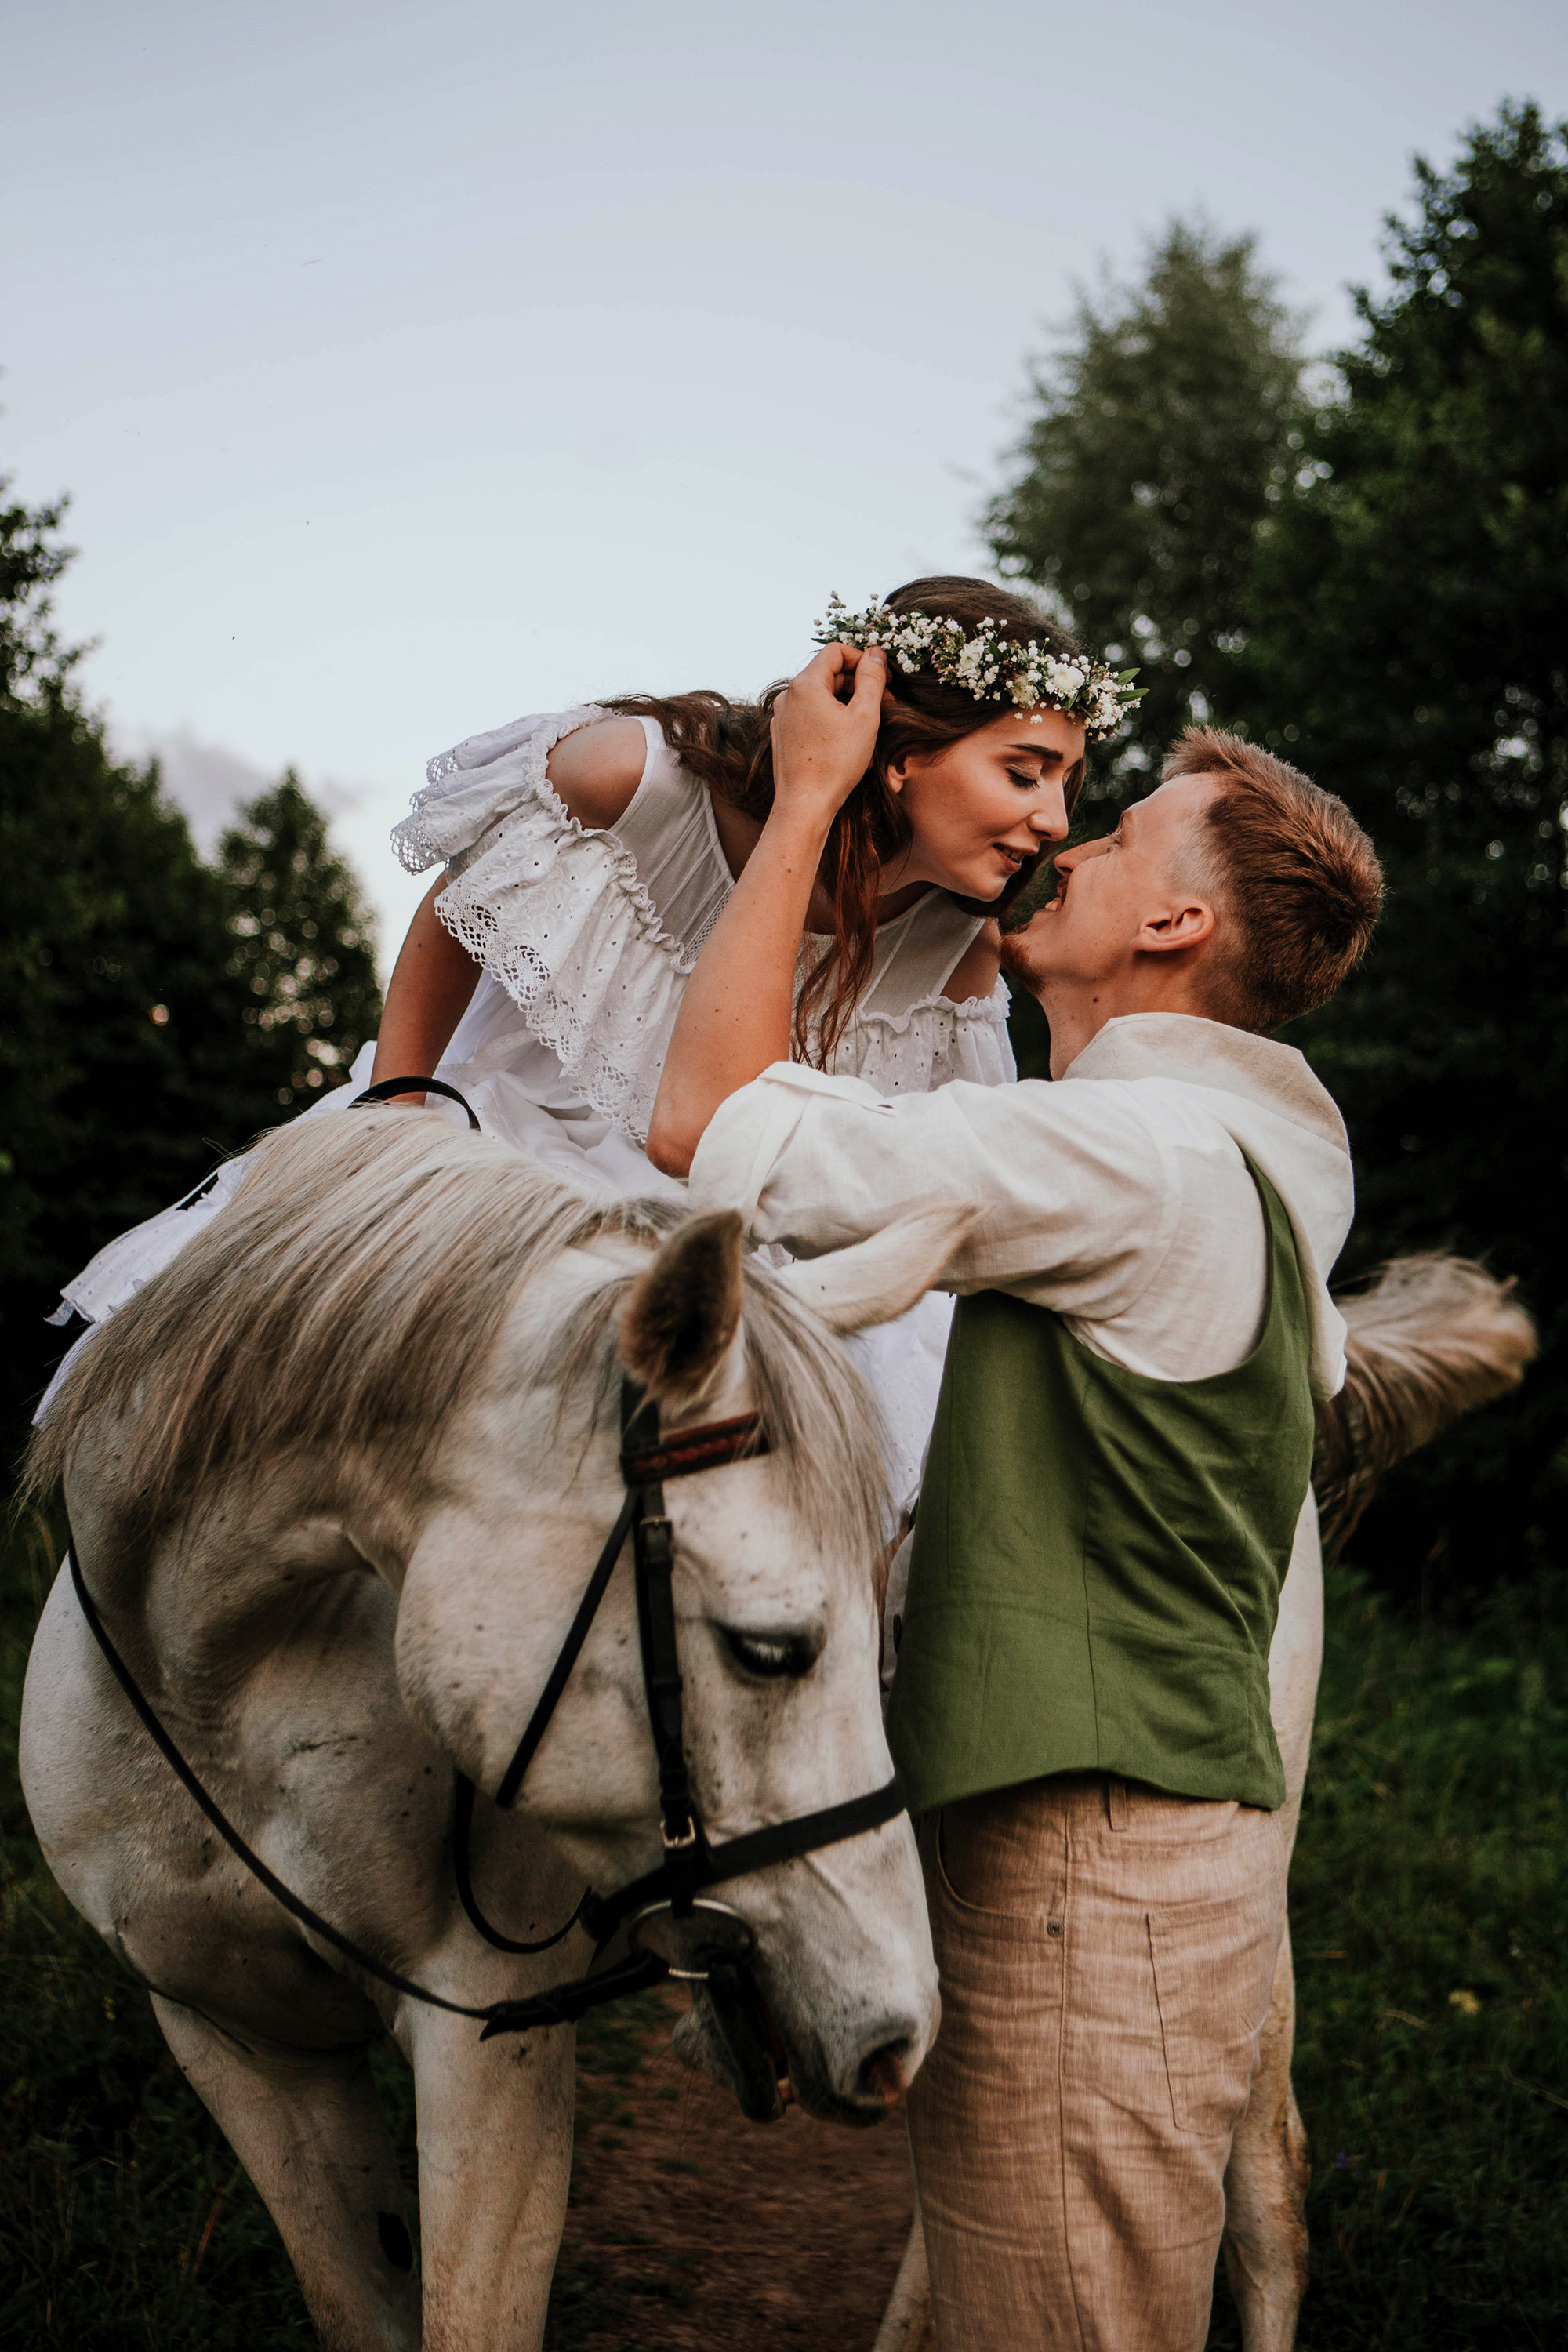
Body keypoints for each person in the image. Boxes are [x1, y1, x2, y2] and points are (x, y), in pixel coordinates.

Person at [652, 633, 1383, 2352]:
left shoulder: (1128, 1157)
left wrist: (812, 795)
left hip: (1090, 1884)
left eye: (1121, 833)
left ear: (1172, 928)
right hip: (1122, 1862)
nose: (1073, 842)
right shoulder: (1247, 1166)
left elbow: (706, 1114)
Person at [41, 579, 1137, 1507]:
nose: (1053, 821)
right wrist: (401, 1103)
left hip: (720, 1229)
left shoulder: (955, 947)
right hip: (498, 1145)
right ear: (900, 756)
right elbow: (457, 919)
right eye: (1024, 771)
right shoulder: (637, 780)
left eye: (1068, 786)